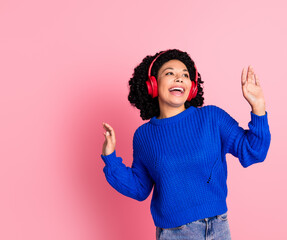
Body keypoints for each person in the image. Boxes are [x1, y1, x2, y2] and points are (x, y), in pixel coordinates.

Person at [100, 49, 271, 239]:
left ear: (192, 86)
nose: (179, 78)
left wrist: (258, 107)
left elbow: (253, 150)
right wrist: (110, 158)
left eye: (185, 75)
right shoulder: (144, 136)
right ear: (153, 85)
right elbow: (140, 188)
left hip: (218, 227)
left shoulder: (212, 118)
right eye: (170, 73)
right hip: (174, 234)